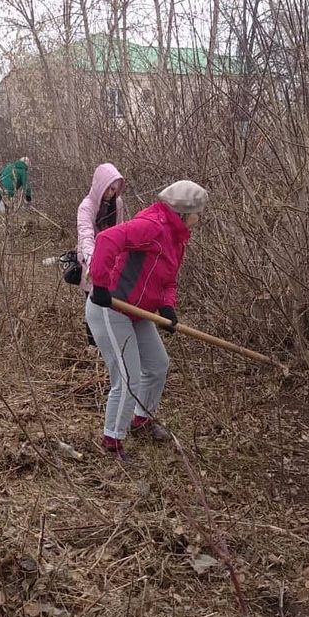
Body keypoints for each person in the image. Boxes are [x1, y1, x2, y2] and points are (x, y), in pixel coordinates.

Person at [85, 180, 208, 458]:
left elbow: (168, 280)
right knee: (128, 378)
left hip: (138, 312)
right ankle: (112, 441)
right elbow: (107, 239)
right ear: (182, 212)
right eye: (197, 213)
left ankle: (141, 419)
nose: (199, 219)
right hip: (110, 308)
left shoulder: (177, 238)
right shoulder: (153, 226)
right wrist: (102, 284)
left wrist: (167, 307)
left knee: (157, 365)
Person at [76, 163, 126, 345]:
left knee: (112, 302)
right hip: (91, 262)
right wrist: (92, 263)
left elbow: (121, 231)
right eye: (108, 188)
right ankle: (93, 344)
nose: (111, 193)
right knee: (92, 301)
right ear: (100, 184)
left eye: (114, 189)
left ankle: (110, 340)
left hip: (112, 262)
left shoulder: (117, 204)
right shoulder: (86, 207)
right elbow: (85, 235)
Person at [0, 156, 31, 235]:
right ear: (27, 164)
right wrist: (28, 198)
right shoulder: (23, 171)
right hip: (8, 194)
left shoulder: (9, 166)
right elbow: (26, 186)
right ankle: (8, 232)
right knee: (9, 213)